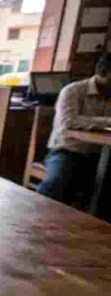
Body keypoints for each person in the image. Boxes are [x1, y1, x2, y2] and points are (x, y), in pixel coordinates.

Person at [37, 53, 111, 207]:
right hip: (69, 151)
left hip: (102, 154)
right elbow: (69, 121)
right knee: (55, 184)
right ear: (104, 73)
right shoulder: (73, 91)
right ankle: (34, 222)